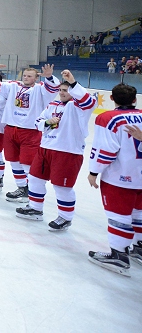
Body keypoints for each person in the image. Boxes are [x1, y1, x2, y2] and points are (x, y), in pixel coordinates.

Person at [14, 70, 96, 230]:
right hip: (45, 149)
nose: (62, 93)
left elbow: (89, 101)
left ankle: (65, 217)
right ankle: (35, 208)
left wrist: (72, 81)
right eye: (60, 90)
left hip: (67, 152)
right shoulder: (52, 105)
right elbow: (37, 122)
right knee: (35, 178)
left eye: (66, 91)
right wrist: (48, 122)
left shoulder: (80, 107)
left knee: (62, 186)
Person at [0, 65, 60, 202]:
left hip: (30, 131)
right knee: (13, 160)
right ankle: (21, 188)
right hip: (11, 129)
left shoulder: (40, 90)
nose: (26, 78)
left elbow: (53, 88)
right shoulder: (13, 86)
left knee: (27, 163)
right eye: (24, 75)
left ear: (36, 78)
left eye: (30, 76)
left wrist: (49, 77)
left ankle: (31, 191)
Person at [86, 84, 142, 275]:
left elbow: (105, 150)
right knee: (139, 213)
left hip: (120, 177)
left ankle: (119, 255)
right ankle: (139, 247)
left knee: (119, 216)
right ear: (135, 99)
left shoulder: (108, 118)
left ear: (112, 99)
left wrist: (94, 172)